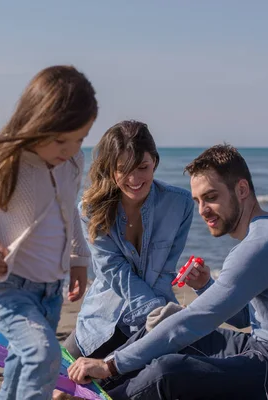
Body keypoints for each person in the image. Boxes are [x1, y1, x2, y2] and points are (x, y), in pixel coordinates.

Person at [68, 144, 268, 399]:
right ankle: (91, 390)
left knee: (169, 372)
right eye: (198, 200)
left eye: (211, 197)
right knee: (164, 331)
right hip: (267, 348)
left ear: (242, 189)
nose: (203, 211)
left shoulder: (263, 243)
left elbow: (196, 321)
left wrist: (111, 364)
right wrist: (205, 285)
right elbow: (246, 317)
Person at [0, 65, 97, 400]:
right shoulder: (2, 163)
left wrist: (79, 259)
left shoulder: (71, 162)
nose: (71, 148)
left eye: (80, 139)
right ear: (35, 122)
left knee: (20, 362)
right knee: (43, 355)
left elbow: (68, 211)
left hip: (50, 293)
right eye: (61, 139)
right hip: (6, 288)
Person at [62, 120, 195, 360]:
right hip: (103, 321)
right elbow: (114, 270)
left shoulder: (181, 204)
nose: (134, 178)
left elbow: (165, 271)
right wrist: (155, 310)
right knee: (56, 380)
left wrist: (162, 319)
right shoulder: (90, 210)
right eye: (124, 169)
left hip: (157, 321)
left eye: (142, 167)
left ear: (154, 161)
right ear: (111, 169)